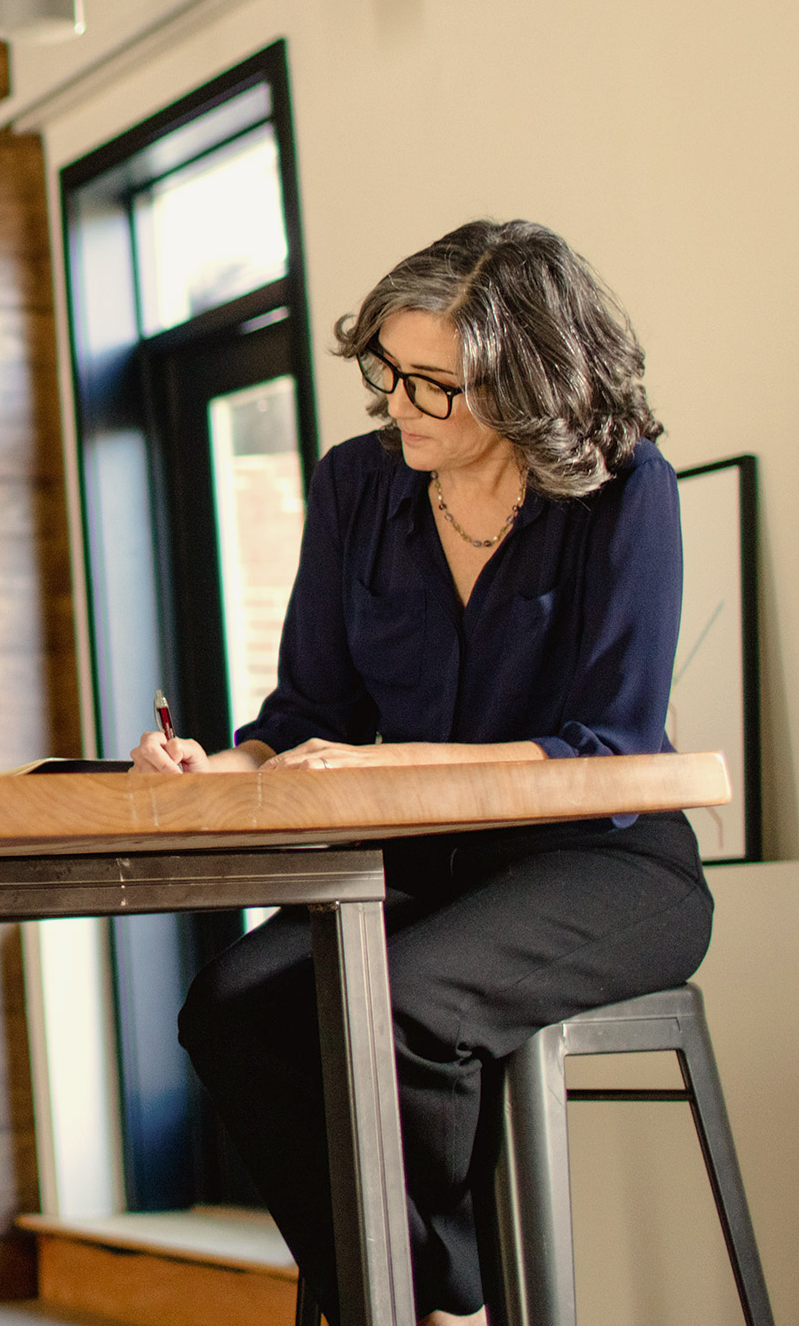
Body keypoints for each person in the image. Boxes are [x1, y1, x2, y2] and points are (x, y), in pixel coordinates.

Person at [132, 221, 712, 1326]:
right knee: (231, 1007)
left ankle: (433, 1305)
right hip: (419, 873)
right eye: (385, 373)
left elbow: (615, 748)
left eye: (431, 385)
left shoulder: (627, 492)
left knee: (402, 1004)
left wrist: (388, 761)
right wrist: (220, 762)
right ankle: (421, 1299)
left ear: (525, 382)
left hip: (603, 866)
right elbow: (305, 716)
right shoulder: (356, 487)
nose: (395, 404)